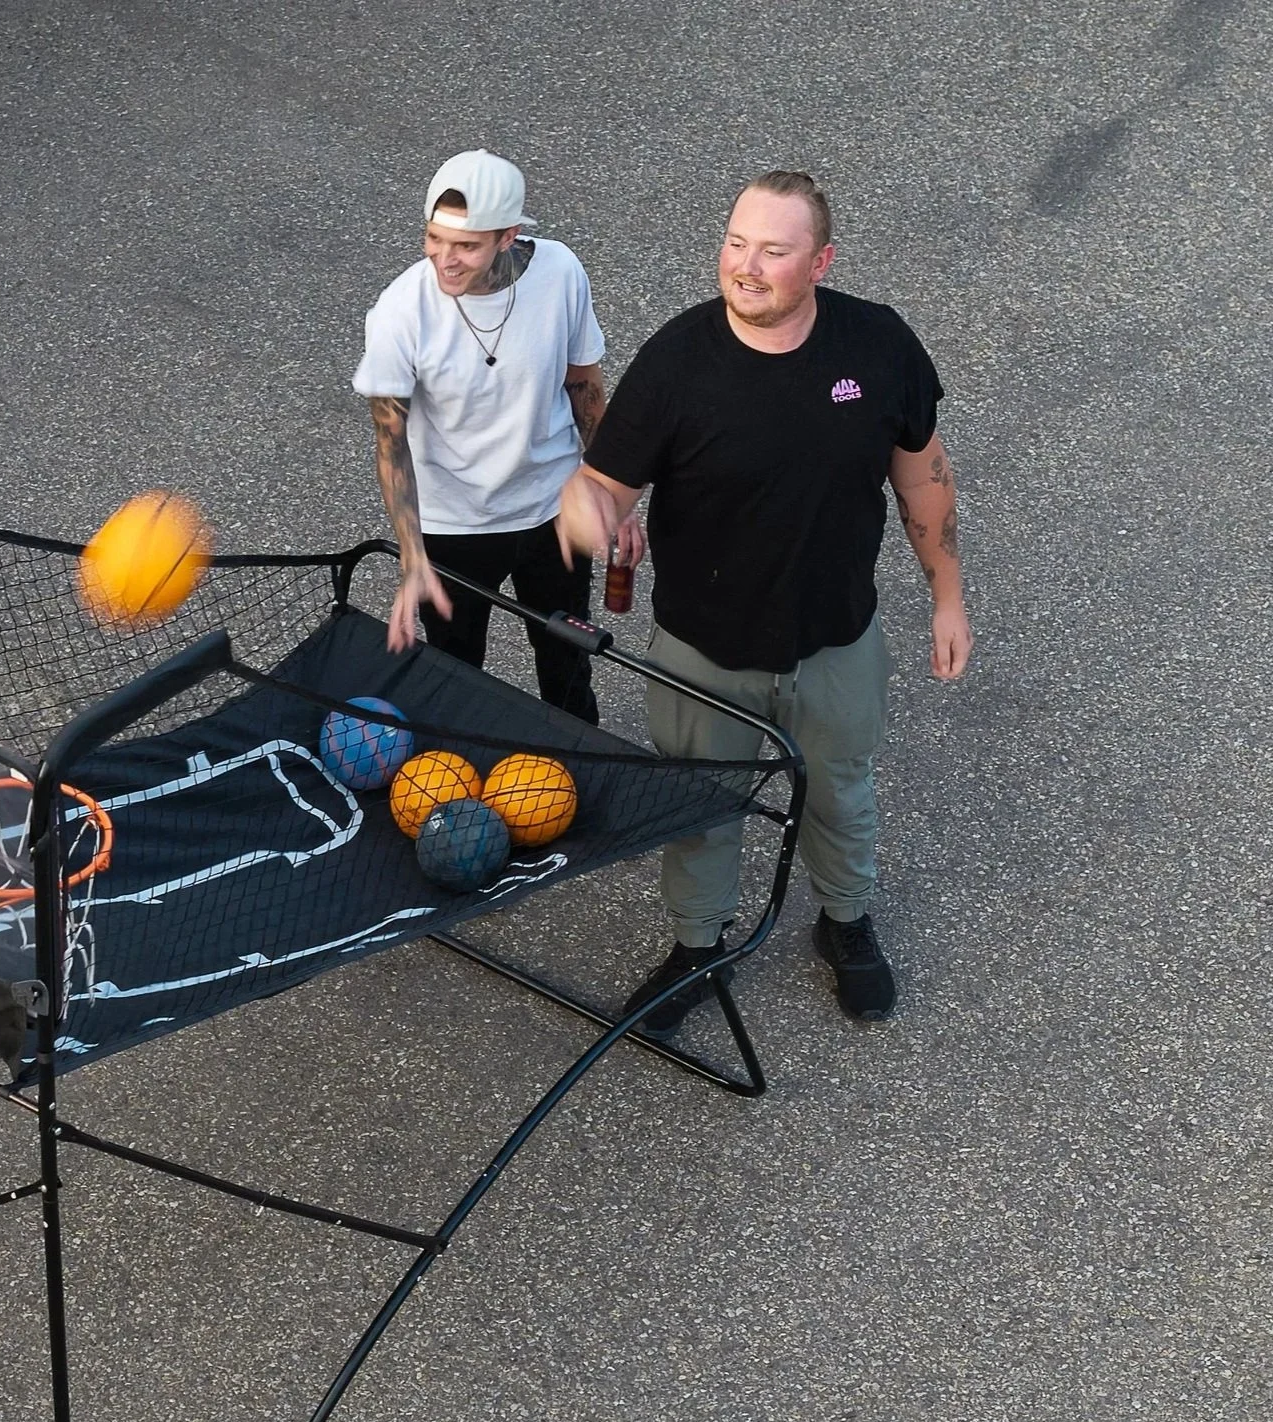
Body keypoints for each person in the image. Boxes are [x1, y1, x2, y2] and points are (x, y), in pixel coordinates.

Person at [556, 170, 971, 1029]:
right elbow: (596, 486)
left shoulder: (878, 346)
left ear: (819, 262)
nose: (745, 267)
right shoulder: (676, 363)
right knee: (700, 806)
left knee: (840, 792)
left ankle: (845, 924)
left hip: (834, 641)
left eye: (772, 251)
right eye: (734, 243)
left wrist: (947, 597)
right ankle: (697, 949)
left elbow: (922, 477)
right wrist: (594, 519)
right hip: (702, 648)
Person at [353, 150, 640, 722]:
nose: (445, 260)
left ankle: (579, 767)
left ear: (508, 235)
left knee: (567, 666)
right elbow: (392, 442)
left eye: (466, 246)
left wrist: (615, 493)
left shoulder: (559, 273)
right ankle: (459, 784)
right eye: (434, 239)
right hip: (453, 523)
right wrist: (412, 556)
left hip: (550, 510)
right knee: (455, 675)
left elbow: (583, 385)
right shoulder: (400, 312)